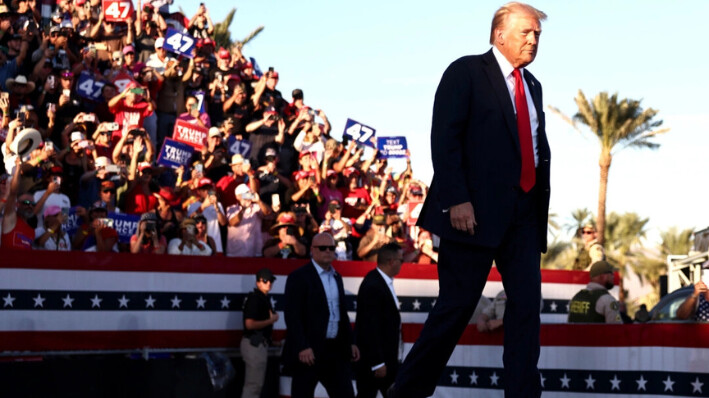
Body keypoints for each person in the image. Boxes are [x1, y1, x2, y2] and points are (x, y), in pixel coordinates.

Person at [389, 3, 551, 398]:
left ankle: (523, 393)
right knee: (456, 309)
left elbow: (531, 148)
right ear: (499, 35)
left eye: (537, 35)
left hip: (524, 217)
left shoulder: (533, 86)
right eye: (526, 33)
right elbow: (445, 139)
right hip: (472, 216)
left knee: (527, 310)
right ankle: (406, 391)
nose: (533, 40)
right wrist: (456, 200)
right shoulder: (466, 71)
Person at [283, 232, 360, 398]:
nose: (327, 251)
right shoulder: (299, 277)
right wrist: (302, 346)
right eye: (323, 248)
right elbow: (292, 315)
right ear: (312, 250)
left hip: (335, 350)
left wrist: (350, 342)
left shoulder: (337, 277)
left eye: (331, 248)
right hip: (309, 351)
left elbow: (341, 313)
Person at [355, 243, 403, 398]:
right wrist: (378, 362)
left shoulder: (382, 282)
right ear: (391, 262)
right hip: (376, 363)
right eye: (400, 260)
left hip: (386, 360)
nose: (402, 264)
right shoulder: (373, 285)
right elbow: (370, 326)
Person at [241, 268, 279, 398]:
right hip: (254, 344)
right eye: (265, 280)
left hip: (259, 344)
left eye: (270, 281)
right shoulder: (255, 299)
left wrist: (271, 341)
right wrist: (271, 320)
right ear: (258, 282)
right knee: (253, 386)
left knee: (255, 385)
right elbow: (249, 324)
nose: (268, 283)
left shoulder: (263, 298)